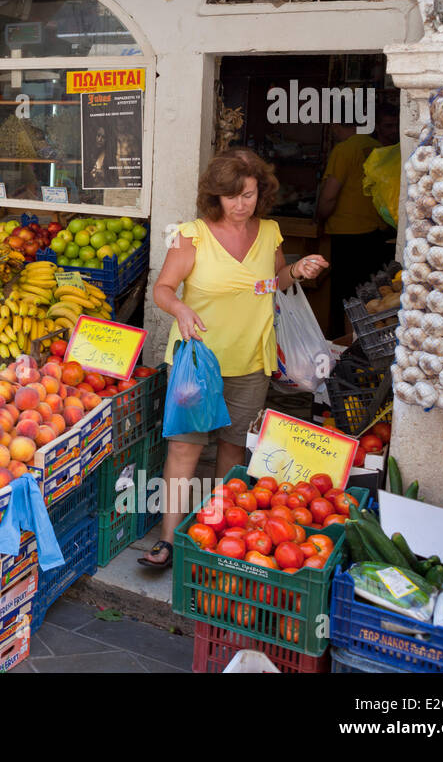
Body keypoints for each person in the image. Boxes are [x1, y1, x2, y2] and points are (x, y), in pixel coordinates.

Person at [140, 148, 328, 568]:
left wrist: (297, 272)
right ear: (216, 197)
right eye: (232, 196)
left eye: (249, 194)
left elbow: (275, 281)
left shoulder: (271, 233)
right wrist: (181, 309)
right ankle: (168, 538)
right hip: (196, 364)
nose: (241, 204)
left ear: (260, 192)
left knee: (232, 449)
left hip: (250, 360)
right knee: (185, 449)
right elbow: (164, 289)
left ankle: (216, 530)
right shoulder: (193, 235)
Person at [317, 117, 390, 336]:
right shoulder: (378, 148)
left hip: (348, 234)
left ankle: (346, 345)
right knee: (372, 297)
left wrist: (320, 218)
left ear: (337, 126)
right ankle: (370, 344)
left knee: (348, 297)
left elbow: (330, 195)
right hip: (377, 232)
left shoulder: (344, 150)